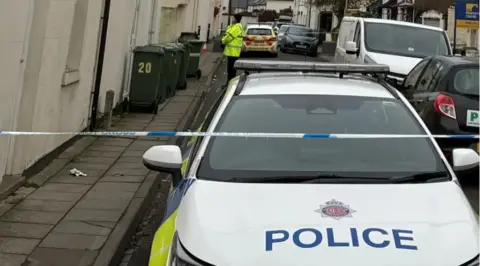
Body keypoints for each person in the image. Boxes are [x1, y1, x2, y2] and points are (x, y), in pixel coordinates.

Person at [221, 13, 244, 88]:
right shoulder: (234, 26)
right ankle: (229, 84)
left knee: (232, 70)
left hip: (233, 51)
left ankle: (231, 85)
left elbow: (229, 36)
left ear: (236, 19)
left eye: (233, 18)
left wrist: (223, 41)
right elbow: (228, 33)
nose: (232, 19)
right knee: (230, 69)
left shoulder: (237, 27)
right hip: (231, 51)